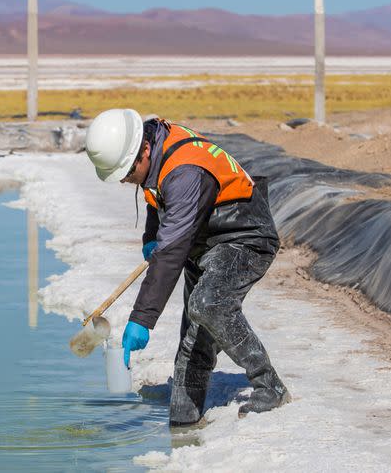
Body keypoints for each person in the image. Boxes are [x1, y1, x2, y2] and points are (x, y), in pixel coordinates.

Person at [85, 108, 290, 425]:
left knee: (208, 304)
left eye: (126, 173)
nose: (125, 180)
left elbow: (171, 252)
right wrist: (151, 236)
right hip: (203, 240)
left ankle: (270, 385)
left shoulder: (186, 172)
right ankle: (184, 421)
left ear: (143, 151)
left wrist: (142, 319)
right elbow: (156, 191)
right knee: (193, 341)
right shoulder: (153, 145)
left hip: (243, 237)